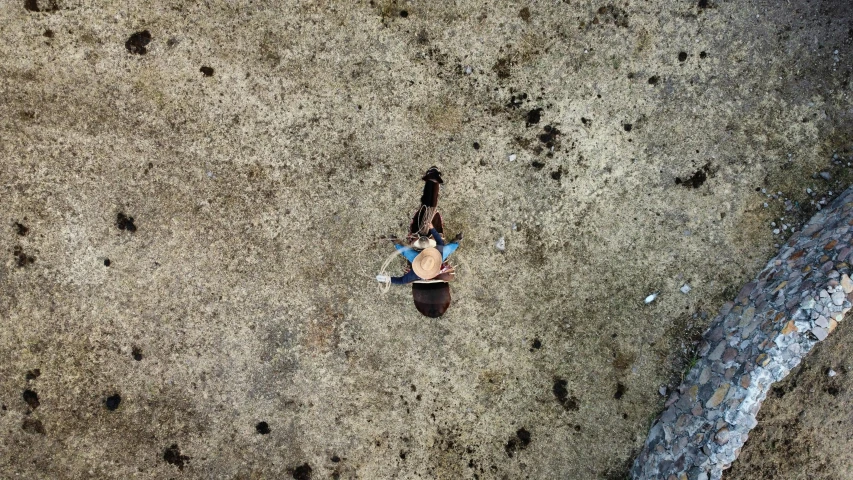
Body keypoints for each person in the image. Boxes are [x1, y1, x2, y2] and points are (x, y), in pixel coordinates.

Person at [376, 226, 462, 285]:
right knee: (449, 248)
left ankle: (395, 242)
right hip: (434, 259)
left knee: (405, 251)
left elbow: (402, 280)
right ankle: (456, 240)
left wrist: (386, 279)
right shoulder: (439, 253)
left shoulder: (415, 274)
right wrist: (432, 228)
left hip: (417, 259)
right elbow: (440, 241)